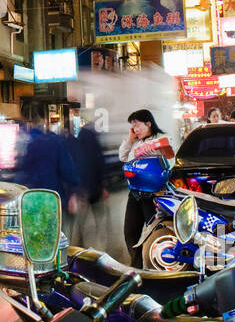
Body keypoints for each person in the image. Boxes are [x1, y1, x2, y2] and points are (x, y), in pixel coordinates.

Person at [118, 109, 175, 267]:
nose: (135, 130)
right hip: (135, 194)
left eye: (137, 126)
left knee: (153, 232)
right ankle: (136, 267)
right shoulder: (135, 142)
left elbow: (170, 160)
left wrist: (156, 152)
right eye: (133, 127)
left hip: (153, 194)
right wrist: (130, 138)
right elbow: (122, 157)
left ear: (148, 123)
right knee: (130, 232)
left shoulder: (161, 139)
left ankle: (155, 265)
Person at [68, 116, 110, 248]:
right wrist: (103, 186)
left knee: (81, 219)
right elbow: (101, 166)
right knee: (99, 216)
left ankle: (79, 243)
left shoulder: (75, 146)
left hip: (82, 189)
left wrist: (74, 190)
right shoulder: (95, 145)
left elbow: (72, 168)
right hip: (95, 188)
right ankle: (102, 241)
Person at [19, 117, 79, 206]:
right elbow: (67, 170)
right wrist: (75, 188)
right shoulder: (56, 143)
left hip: (33, 196)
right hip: (53, 195)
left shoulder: (28, 145)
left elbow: (24, 170)